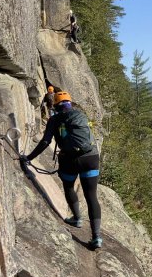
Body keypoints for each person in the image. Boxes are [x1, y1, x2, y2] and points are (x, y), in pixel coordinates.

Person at [21, 91, 102, 249]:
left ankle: (77, 218)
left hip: (69, 160)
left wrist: (29, 158)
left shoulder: (55, 119)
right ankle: (97, 237)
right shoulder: (80, 114)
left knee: (69, 186)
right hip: (90, 158)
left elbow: (45, 142)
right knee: (91, 196)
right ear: (70, 103)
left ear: (56, 104)